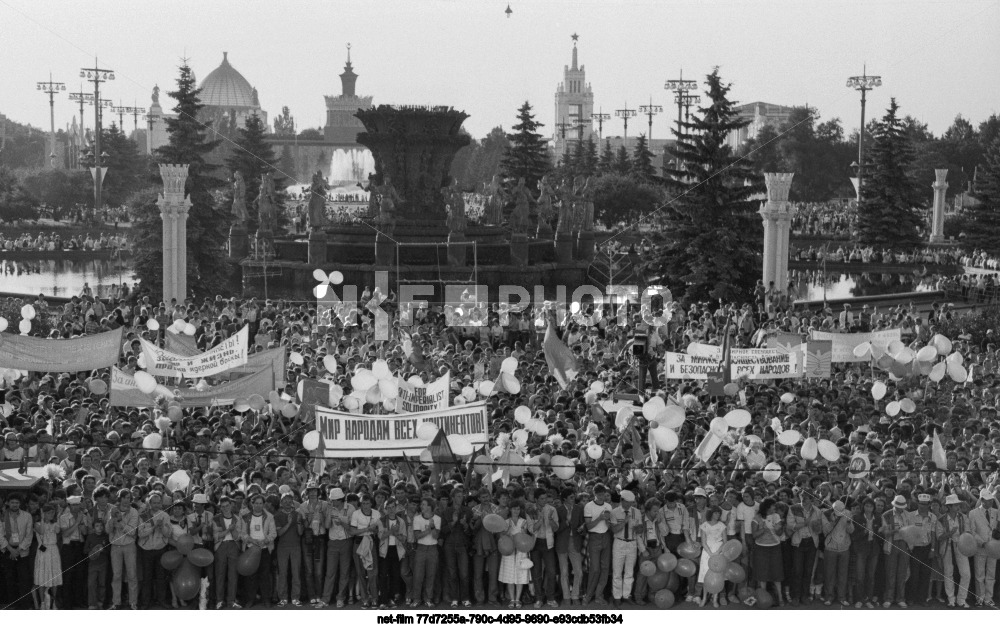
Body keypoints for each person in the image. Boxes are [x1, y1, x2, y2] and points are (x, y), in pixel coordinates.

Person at [241, 493, 276, 609]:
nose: (258, 505)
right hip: (250, 549)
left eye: (261, 503)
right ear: (252, 504)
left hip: (264, 549)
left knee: (265, 575)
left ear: (264, 504)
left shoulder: (269, 516)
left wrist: (265, 541)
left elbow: (273, 533)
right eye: (256, 503)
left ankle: (266, 599)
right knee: (251, 576)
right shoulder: (245, 516)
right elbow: (242, 533)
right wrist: (251, 540)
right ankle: (250, 599)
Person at [499, 499, 532, 608]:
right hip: (508, 551)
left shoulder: (524, 521)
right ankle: (512, 599)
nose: (516, 511)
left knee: (520, 576)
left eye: (518, 509)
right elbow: (502, 537)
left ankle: (517, 599)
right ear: (510, 509)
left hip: (521, 552)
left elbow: (526, 538)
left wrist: (524, 533)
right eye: (514, 509)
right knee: (509, 576)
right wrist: (507, 531)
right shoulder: (506, 522)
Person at [609, 489, 641, 606]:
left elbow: (640, 530)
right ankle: (617, 596)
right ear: (622, 501)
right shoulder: (614, 512)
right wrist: (625, 522)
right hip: (619, 542)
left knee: (629, 572)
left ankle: (626, 595)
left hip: (632, 543)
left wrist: (637, 527)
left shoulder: (637, 512)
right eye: (628, 502)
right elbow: (614, 529)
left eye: (631, 502)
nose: (630, 505)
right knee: (617, 571)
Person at [821, 500, 854, 606]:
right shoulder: (825, 514)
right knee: (830, 574)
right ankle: (829, 597)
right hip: (830, 548)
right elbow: (825, 530)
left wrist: (849, 523)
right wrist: (833, 522)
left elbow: (851, 531)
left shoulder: (848, 513)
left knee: (843, 574)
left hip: (844, 548)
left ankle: (842, 597)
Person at [411, 496, 441, 608]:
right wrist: (429, 529)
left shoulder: (437, 518)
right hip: (421, 548)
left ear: (430, 506)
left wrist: (432, 528)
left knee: (431, 575)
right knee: (418, 576)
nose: (421, 506)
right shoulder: (417, 518)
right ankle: (417, 599)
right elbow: (417, 536)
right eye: (421, 504)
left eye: (423, 504)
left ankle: (428, 599)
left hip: (433, 549)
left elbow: (436, 536)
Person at [33, 503, 63, 609]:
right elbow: (41, 531)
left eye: (52, 513)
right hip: (43, 550)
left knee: (54, 576)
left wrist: (57, 517)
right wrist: (42, 518)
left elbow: (58, 530)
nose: (51, 515)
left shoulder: (54, 524)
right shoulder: (37, 524)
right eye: (49, 513)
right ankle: (42, 602)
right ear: (44, 513)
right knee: (42, 577)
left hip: (53, 550)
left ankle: (53, 601)